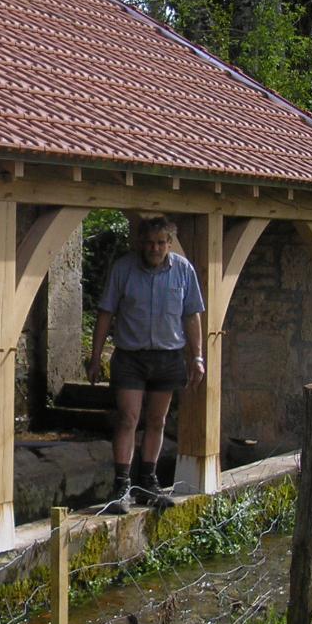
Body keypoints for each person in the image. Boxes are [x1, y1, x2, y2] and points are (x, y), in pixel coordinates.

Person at [85, 215, 205, 513]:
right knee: (128, 418)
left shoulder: (183, 271)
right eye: (149, 243)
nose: (154, 248)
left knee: (157, 420)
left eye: (160, 243)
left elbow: (192, 315)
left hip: (168, 356)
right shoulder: (123, 268)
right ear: (141, 243)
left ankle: (147, 482)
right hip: (131, 356)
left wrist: (198, 356)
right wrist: (95, 356)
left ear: (169, 243)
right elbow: (105, 312)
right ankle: (122, 484)